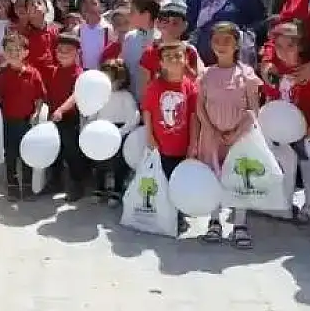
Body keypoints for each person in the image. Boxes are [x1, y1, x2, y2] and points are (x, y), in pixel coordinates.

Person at [190, 22, 262, 247]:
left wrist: (237, 132)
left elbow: (253, 110)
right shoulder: (206, 75)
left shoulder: (246, 74)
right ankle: (214, 221)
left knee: (240, 177)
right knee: (214, 175)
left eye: (227, 41)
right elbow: (200, 106)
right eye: (216, 41)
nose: (221, 45)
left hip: (239, 136)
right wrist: (209, 127)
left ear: (237, 44)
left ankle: (240, 224)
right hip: (212, 136)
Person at [261, 21, 310, 222]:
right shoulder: (275, 72)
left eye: (290, 46)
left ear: (301, 47)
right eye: (279, 47)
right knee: (282, 163)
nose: (284, 52)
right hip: (280, 129)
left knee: (306, 163)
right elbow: (270, 97)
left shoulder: (306, 72)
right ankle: (281, 202)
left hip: (302, 127)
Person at [142, 41, 199, 234]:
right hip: (162, 144)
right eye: (168, 57)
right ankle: (168, 214)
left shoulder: (189, 87)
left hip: (183, 145)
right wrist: (149, 135)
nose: (173, 60)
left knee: (180, 181)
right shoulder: (155, 86)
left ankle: (179, 214)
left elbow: (193, 116)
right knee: (164, 180)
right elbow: (148, 111)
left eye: (178, 56)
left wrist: (193, 143)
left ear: (185, 60)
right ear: (161, 62)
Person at [0, 33, 46, 201]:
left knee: (27, 155)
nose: (14, 53)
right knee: (10, 155)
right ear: (4, 53)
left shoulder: (33, 74)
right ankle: (12, 185)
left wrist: (37, 113)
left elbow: (39, 98)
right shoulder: (1, 75)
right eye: (10, 50)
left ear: (25, 52)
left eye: (18, 49)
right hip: (7, 122)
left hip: (27, 122)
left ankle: (28, 186)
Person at [87, 59, 140, 205]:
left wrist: (121, 132)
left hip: (118, 131)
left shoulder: (125, 96)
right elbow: (94, 113)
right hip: (101, 130)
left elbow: (134, 116)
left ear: (120, 79)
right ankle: (99, 187)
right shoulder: (100, 95)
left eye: (111, 78)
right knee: (99, 161)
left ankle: (117, 189)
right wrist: (90, 126)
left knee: (119, 163)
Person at [47, 33, 90, 201]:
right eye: (60, 50)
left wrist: (61, 110)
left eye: (68, 50)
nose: (63, 53)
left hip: (70, 118)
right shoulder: (53, 70)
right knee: (54, 151)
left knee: (71, 152)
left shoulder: (79, 73)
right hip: (53, 118)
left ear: (77, 53)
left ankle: (77, 185)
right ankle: (55, 181)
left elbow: (75, 96)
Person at [140, 0, 201, 83]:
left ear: (184, 26)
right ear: (157, 23)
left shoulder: (190, 51)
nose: (170, 26)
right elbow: (145, 85)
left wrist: (182, 63)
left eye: (175, 23)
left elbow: (193, 80)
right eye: (165, 21)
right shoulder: (149, 52)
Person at [122, 0, 162, 102]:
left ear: (146, 15)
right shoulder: (129, 37)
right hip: (131, 99)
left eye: (132, 12)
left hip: (154, 101)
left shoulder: (161, 39)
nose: (128, 15)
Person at [75, 0, 112, 70]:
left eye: (93, 3)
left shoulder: (109, 29)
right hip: (82, 73)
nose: (88, 7)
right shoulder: (77, 30)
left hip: (103, 72)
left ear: (102, 7)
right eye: (85, 4)